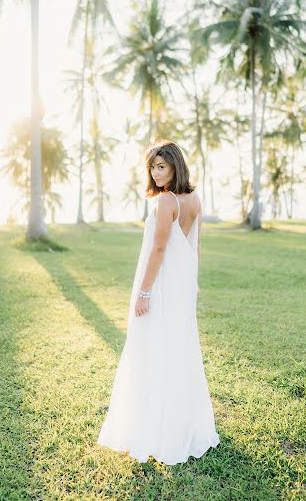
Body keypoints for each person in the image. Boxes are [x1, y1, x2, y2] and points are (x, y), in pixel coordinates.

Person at [97, 140, 220, 465]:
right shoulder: (194, 199)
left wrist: (144, 292)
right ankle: (179, 421)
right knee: (177, 348)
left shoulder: (167, 201)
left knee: (151, 347)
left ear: (175, 167)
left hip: (163, 285)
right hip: (179, 287)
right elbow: (195, 247)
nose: (156, 172)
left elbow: (160, 250)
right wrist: (192, 283)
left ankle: (156, 427)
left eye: (161, 166)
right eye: (152, 166)